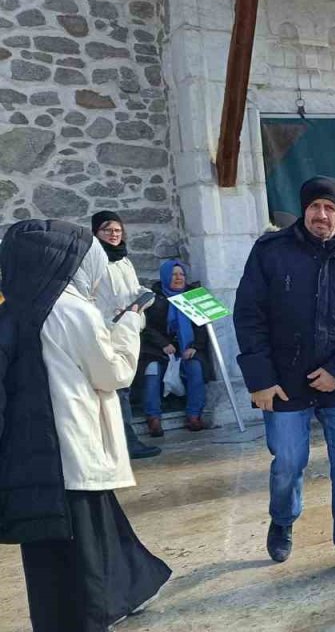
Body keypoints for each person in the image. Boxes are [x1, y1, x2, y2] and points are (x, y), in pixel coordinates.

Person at [1, 220, 171, 631]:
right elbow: (112, 373)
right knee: (87, 563)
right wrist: (130, 323)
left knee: (46, 564)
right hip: (73, 454)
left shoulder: (11, 308)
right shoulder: (70, 309)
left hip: (30, 459)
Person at [233, 176, 335, 580]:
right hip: (284, 380)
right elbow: (249, 316)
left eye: (330, 208)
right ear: (303, 211)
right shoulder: (271, 252)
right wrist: (260, 379)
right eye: (316, 206)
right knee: (288, 461)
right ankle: (282, 518)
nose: (322, 215)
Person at [90, 210, 161, 458]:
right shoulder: (92, 259)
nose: (113, 234)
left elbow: (132, 289)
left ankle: (121, 440)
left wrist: (144, 298)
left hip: (129, 329)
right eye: (107, 230)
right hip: (108, 331)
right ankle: (124, 442)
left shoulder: (124, 260)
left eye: (117, 230)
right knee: (117, 387)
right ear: (96, 232)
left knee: (124, 387)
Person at [139, 260, 215, 434]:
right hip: (157, 351)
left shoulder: (192, 297)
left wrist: (195, 346)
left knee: (196, 367)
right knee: (152, 370)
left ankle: (194, 415)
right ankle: (153, 418)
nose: (179, 278)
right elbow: (145, 327)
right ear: (166, 276)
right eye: (174, 275)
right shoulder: (153, 298)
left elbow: (202, 326)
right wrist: (163, 344)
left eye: (181, 274)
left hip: (187, 348)